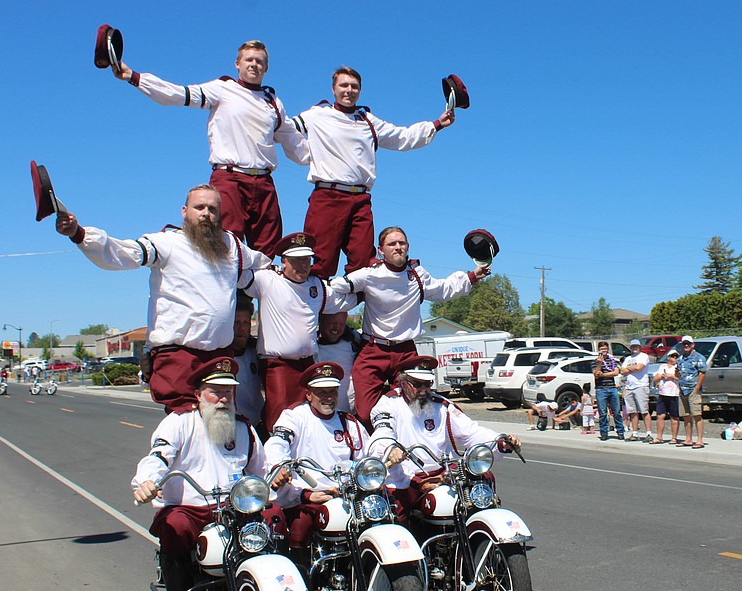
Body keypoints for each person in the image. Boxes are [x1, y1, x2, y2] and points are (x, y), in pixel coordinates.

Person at [55, 184, 272, 412]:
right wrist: (79, 233)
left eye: (212, 209)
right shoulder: (166, 243)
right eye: (199, 207)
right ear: (184, 211)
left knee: (222, 423)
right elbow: (123, 253)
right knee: (183, 424)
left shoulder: (232, 246)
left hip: (219, 358)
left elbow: (263, 266)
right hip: (179, 357)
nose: (206, 213)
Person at [110, 40, 309, 252]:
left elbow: (297, 146)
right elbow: (178, 94)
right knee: (225, 244)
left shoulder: (273, 103)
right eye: (248, 60)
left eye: (259, 61)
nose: (254, 65)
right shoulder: (223, 89)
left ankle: (256, 286)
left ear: (266, 68)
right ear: (237, 64)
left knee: (267, 249)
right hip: (229, 178)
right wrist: (134, 77)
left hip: (264, 183)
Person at [131, 357, 279, 591]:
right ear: (198, 395)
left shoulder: (244, 428)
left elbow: (262, 471)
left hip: (236, 508)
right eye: (215, 392)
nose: (223, 398)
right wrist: (147, 481)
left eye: (229, 391)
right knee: (175, 526)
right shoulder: (178, 423)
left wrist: (276, 482)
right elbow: (158, 456)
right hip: (190, 507)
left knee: (275, 516)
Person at [295, 67, 457, 278]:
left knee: (363, 263)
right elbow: (285, 129)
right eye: (344, 85)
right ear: (333, 89)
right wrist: (304, 154)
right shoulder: (317, 115)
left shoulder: (367, 120)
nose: (349, 90)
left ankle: (351, 309)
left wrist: (437, 125)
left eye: (354, 87)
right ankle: (316, 307)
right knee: (320, 261)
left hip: (360, 199)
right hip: (327, 196)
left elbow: (402, 137)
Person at [328, 226, 488, 425]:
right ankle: (374, 450)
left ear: (408, 247)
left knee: (415, 409)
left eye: (401, 243)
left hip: (406, 351)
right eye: (392, 244)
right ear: (380, 250)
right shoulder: (368, 275)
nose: (397, 247)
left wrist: (472, 276)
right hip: (372, 351)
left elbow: (442, 289)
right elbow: (335, 288)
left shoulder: (417, 274)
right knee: (364, 412)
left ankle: (410, 450)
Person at [367, 355, 520, 521]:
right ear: (402, 384)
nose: (424, 389)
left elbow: (470, 432)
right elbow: (382, 432)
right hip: (405, 476)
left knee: (483, 483)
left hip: (444, 474)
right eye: (417, 384)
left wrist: (500, 442)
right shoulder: (388, 404)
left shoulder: (442, 405)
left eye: (428, 384)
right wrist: (390, 449)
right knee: (396, 519)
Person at [244, 232, 353, 429]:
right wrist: (260, 260)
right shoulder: (267, 280)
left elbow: (343, 301)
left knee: (310, 418)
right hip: (279, 364)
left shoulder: (316, 286)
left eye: (306, 260)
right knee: (279, 420)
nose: (302, 266)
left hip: (309, 364)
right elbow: (240, 276)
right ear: (284, 261)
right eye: (296, 261)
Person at [264, 362, 370, 556]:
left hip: (346, 496)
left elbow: (368, 456)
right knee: (301, 524)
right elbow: (277, 444)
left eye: (332, 391)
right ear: (308, 394)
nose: (328, 397)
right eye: (321, 392)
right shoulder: (294, 417)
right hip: (306, 496)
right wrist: (278, 466)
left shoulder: (349, 422)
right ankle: (302, 576)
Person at [231, 292, 265, 435]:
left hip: (256, 426)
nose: (242, 328)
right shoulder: (219, 356)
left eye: (246, 323)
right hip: (232, 427)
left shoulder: (258, 352)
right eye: (237, 323)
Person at [316, 311, 362, 413]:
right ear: (321, 320)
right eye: (333, 323)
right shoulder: (311, 344)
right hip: (322, 411)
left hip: (351, 413)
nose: (337, 328)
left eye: (342, 324)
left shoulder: (354, 340)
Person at [675, 336, 709, 449]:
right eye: (684, 344)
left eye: (688, 344)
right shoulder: (680, 359)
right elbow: (678, 373)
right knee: (686, 415)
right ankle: (688, 439)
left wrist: (697, 387)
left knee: (697, 414)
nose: (686, 346)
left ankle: (700, 440)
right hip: (683, 389)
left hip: (693, 389)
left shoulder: (699, 357)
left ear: (693, 345)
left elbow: (702, 372)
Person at [592, 342, 626, 441]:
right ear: (599, 349)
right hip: (601, 389)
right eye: (602, 348)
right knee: (602, 413)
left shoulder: (611, 360)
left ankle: (620, 431)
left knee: (616, 411)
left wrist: (604, 375)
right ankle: (604, 432)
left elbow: (616, 372)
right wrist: (599, 363)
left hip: (612, 388)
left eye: (606, 348)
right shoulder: (595, 361)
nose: (604, 350)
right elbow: (596, 374)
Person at [621, 339, 653, 442]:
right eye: (633, 346)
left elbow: (639, 367)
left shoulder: (644, 356)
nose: (635, 348)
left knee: (644, 410)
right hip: (629, 387)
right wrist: (633, 368)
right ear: (630, 348)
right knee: (632, 411)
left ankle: (649, 433)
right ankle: (635, 433)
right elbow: (622, 371)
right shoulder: (628, 358)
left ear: (640, 347)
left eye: (636, 346)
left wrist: (629, 368)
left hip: (641, 386)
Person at [652, 350, 681, 444]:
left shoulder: (679, 367)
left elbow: (681, 378)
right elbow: (655, 379)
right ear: (668, 357)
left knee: (674, 416)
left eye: (676, 356)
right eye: (673, 356)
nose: (675, 358)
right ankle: (659, 437)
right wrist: (662, 376)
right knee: (660, 415)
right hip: (663, 394)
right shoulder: (662, 367)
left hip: (674, 394)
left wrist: (672, 376)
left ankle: (674, 438)